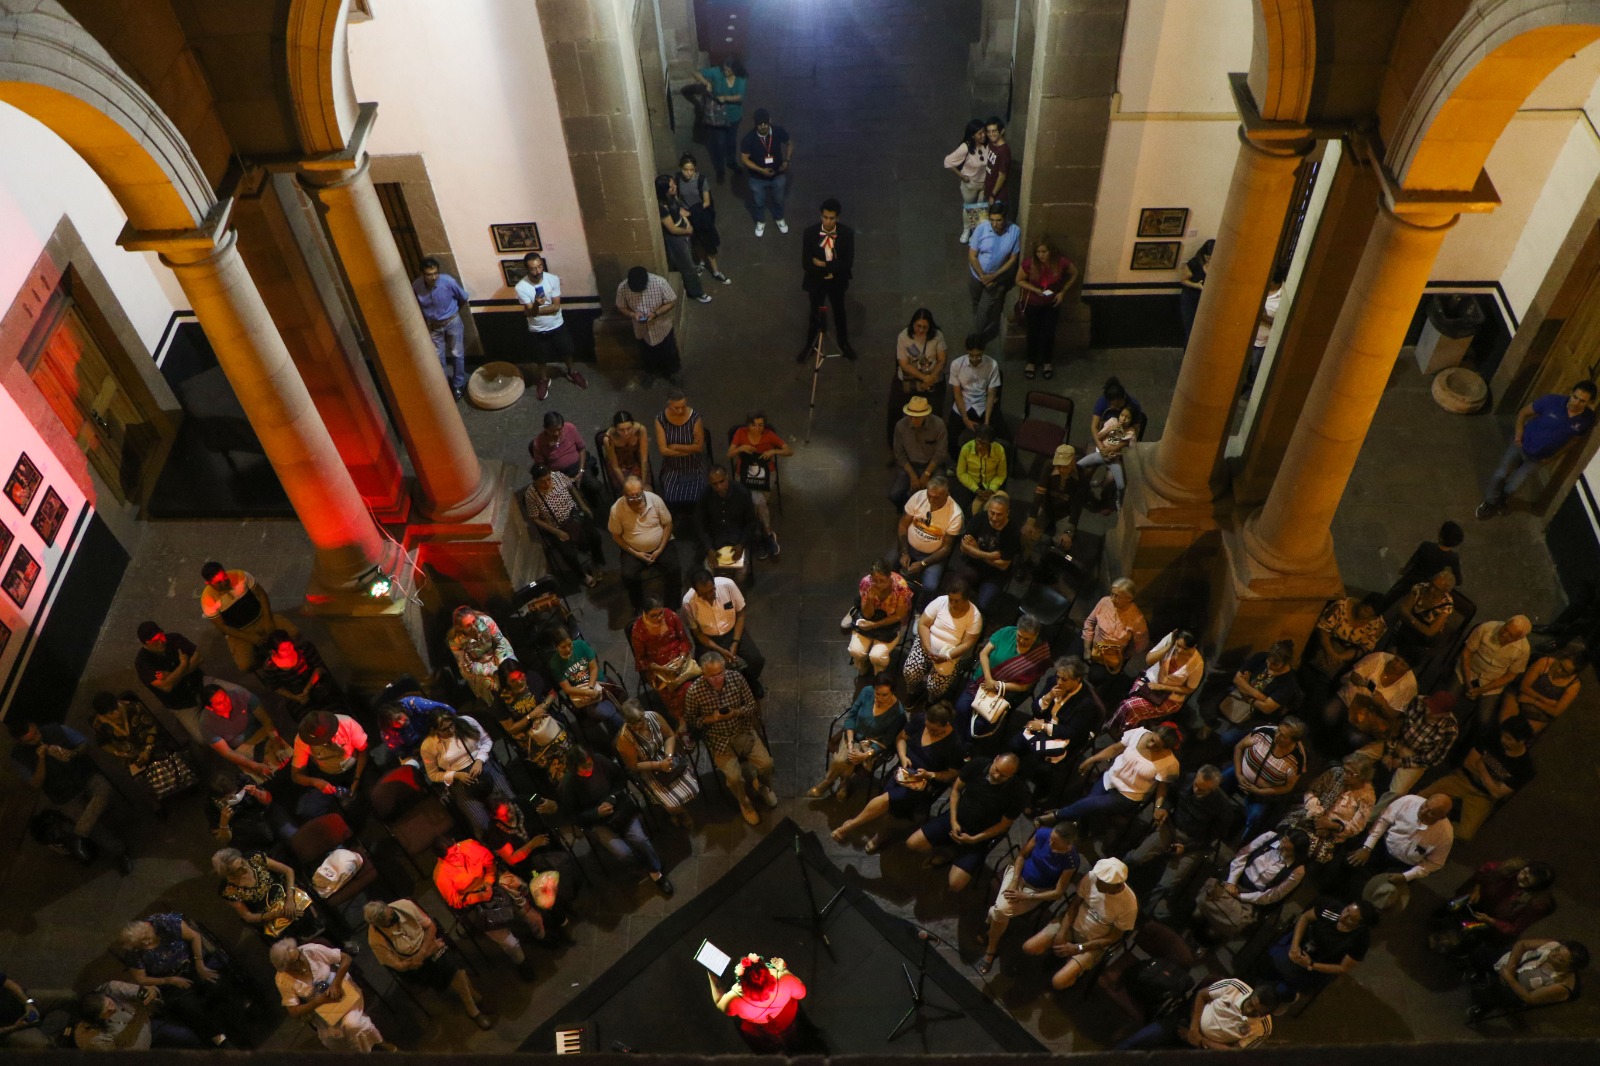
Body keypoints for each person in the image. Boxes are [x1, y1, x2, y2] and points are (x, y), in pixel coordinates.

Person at [536, 743, 673, 897]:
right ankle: (642, 864)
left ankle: (656, 872)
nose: (589, 770)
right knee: (623, 853)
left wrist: (612, 798)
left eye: (590, 764)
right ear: (574, 768)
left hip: (620, 810)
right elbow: (573, 816)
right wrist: (595, 813)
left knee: (640, 840)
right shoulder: (568, 786)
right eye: (583, 768)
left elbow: (620, 779)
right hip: (599, 823)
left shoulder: (600, 761)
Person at [831, 703, 964, 852]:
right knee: (887, 802)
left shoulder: (954, 744)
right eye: (927, 727)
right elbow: (901, 738)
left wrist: (930, 774)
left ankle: (852, 825)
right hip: (902, 770)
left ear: (946, 725)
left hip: (920, 783)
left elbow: (953, 774)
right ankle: (879, 833)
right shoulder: (920, 720)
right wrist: (903, 756)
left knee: (887, 800)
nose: (929, 731)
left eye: (934, 730)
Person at [7, 717, 130, 869]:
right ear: (21, 741)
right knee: (88, 822)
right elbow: (35, 783)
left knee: (103, 790)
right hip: (64, 794)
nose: (36, 738)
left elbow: (84, 744)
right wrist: (41, 760)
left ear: (33, 725)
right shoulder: (19, 757)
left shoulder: (56, 729)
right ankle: (119, 851)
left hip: (85, 776)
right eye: (31, 740)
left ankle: (80, 832)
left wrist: (73, 754)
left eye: (36, 733)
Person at [111, 915, 245, 1046]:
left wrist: (199, 964)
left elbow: (194, 937)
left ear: (148, 928)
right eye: (141, 944)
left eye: (146, 939)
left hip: (194, 963)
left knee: (218, 985)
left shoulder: (164, 923)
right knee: (190, 1009)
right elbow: (141, 978)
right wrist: (170, 980)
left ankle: (239, 1021)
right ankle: (219, 1038)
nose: (145, 944)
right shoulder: (134, 951)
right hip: (170, 981)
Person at [1476, 380, 1597, 518]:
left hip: (1539, 458)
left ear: (1589, 402)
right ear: (1571, 393)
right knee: (1501, 473)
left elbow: (1574, 440)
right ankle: (1490, 502)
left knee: (1515, 485)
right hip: (1521, 445)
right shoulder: (1551, 401)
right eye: (1575, 397)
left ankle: (1502, 497)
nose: (1576, 403)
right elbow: (1524, 412)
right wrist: (1518, 433)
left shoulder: (1587, 419)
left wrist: (1553, 457)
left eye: (1582, 401)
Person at [1124, 766, 1233, 920]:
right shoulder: (1187, 778)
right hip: (1171, 827)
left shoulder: (1223, 807)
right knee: (1136, 857)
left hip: (1193, 843)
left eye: (1202, 790)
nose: (1196, 790)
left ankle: (1142, 914)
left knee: (1166, 885)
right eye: (1196, 784)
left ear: (1214, 789)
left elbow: (1211, 837)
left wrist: (1186, 848)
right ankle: (1114, 874)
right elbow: (1171, 797)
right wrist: (1164, 809)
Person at [907, 752, 1027, 891]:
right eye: (996, 770)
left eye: (1003, 776)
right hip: (956, 818)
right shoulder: (978, 764)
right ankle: (950, 849)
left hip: (979, 835)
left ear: (1012, 776)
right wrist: (953, 821)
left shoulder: (1019, 793)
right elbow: (956, 790)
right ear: (995, 759)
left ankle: (953, 852)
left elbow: (1003, 824)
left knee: (955, 885)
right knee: (912, 843)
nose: (996, 776)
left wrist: (975, 839)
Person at [365, 899, 493, 1029]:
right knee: (451, 966)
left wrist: (425, 950)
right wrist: (426, 953)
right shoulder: (375, 939)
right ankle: (474, 998)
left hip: (429, 944)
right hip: (415, 967)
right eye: (389, 920)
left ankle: (472, 1008)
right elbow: (399, 966)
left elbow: (430, 926)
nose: (393, 916)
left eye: (391, 912)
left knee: (451, 966)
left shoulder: (404, 905)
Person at [431, 834, 547, 975]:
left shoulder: (470, 845)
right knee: (508, 941)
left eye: (456, 849)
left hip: (493, 885)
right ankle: (521, 962)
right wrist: (477, 896)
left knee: (533, 917)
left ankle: (542, 937)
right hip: (475, 904)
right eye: (452, 856)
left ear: (456, 842)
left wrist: (488, 882)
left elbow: (490, 863)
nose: (458, 855)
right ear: (442, 859)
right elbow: (455, 900)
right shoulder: (441, 875)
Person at [684, 651, 776, 826]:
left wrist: (736, 712)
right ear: (703, 673)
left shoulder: (737, 679)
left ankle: (763, 786)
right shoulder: (694, 692)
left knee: (766, 764)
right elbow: (691, 720)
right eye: (712, 676)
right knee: (733, 778)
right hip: (718, 738)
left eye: (720, 673)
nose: (717, 678)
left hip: (742, 730)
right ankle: (745, 803)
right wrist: (710, 718)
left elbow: (751, 706)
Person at [978, 821, 1081, 975]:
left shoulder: (1071, 860)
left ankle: (991, 937)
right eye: (1051, 838)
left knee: (998, 911)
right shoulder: (1043, 833)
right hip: (1017, 875)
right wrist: (1014, 881)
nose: (1050, 842)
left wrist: (1027, 895)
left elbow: (1058, 892)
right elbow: (1021, 856)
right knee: (1002, 911)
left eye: (1055, 842)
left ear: (1068, 845)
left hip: (1035, 891)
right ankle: (991, 947)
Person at [1022, 857, 1138, 990]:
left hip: (1092, 942)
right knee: (1029, 947)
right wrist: (1063, 931)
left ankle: (1074, 970)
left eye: (1102, 882)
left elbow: (1113, 937)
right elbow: (1074, 905)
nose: (1097, 883)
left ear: (1117, 885)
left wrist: (1079, 948)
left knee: (1058, 983)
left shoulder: (1129, 905)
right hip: (1073, 924)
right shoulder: (1092, 878)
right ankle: (1061, 955)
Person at [1045, 722, 1180, 831]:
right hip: (1109, 778)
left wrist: (1158, 808)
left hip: (1128, 795)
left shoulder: (1170, 763)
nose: (1151, 745)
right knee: (1089, 804)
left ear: (1166, 749)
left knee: (1090, 803)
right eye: (1151, 740)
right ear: (1153, 732)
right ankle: (1078, 828)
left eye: (1157, 746)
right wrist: (1091, 760)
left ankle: (1056, 815)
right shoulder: (1139, 733)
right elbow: (1115, 749)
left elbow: (1162, 787)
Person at [270, 938, 392, 1052]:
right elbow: (294, 1011)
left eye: (299, 954)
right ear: (286, 968)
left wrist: (336, 984)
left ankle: (383, 1046)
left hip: (343, 993)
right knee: (337, 1038)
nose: (302, 959)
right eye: (295, 961)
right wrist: (318, 1001)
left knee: (353, 1024)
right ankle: (372, 1049)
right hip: (324, 1013)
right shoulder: (282, 979)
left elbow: (346, 958)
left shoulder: (312, 950)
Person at [1011, 657, 1105, 803]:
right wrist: (1047, 697)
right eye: (1058, 677)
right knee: (1015, 743)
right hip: (1043, 725)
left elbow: (1072, 733)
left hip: (1061, 738)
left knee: (1040, 766)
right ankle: (1013, 775)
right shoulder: (1051, 682)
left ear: (1077, 679)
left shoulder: (1086, 704)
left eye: (1065, 679)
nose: (1059, 682)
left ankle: (1033, 798)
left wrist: (1043, 727)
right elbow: (1036, 710)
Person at [1425, 716, 1535, 840]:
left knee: (1464, 835)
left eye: (1509, 739)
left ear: (1521, 741)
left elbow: (1497, 793)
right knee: (1422, 797)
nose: (1503, 740)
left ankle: (1436, 830)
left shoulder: (1525, 768)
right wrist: (1492, 782)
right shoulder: (1492, 737)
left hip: (1483, 796)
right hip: (1463, 779)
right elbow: (1468, 763)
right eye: (1503, 735)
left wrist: (1481, 766)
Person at [1194, 828, 1309, 942]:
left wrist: (1240, 896)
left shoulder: (1298, 871)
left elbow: (1273, 895)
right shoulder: (1269, 837)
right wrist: (1231, 882)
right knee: (1199, 912)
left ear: (1296, 852)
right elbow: (1242, 855)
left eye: (1286, 848)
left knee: (1222, 926)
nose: (1281, 846)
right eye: (1283, 840)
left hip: (1253, 898)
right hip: (1236, 880)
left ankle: (1205, 945)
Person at [1430, 859, 1556, 962]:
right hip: (1479, 901)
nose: (1522, 877)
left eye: (1527, 880)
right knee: (1455, 903)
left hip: (1493, 922)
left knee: (1468, 927)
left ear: (1535, 888)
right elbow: (1483, 872)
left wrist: (1490, 921)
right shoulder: (1508, 869)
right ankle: (1441, 918)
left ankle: (1458, 949)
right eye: (1525, 872)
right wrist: (1477, 888)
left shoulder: (1536, 905)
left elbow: (1514, 928)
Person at [955, 614, 1051, 745]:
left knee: (980, 723)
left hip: (1003, 693)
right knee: (961, 708)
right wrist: (989, 679)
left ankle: (967, 744)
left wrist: (998, 685)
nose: (1022, 641)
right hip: (981, 681)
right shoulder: (1007, 632)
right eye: (1019, 636)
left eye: (1027, 639)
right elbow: (984, 653)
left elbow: (1025, 686)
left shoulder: (1040, 654)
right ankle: (958, 740)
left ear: (1036, 635)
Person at [90, 690, 193, 809]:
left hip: (150, 742)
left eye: (116, 707)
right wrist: (118, 752)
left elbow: (152, 726)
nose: (116, 712)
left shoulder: (133, 707)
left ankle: (183, 784)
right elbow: (103, 743)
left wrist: (147, 749)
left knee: (168, 758)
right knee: (139, 778)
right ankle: (157, 803)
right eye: (111, 712)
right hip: (130, 754)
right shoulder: (100, 725)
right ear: (103, 715)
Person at [808, 673, 906, 799]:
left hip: (871, 744)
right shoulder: (867, 692)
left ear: (892, 692)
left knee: (845, 759)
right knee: (844, 758)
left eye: (884, 695)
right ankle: (841, 783)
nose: (880, 698)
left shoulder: (898, 713)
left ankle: (830, 782)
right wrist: (850, 743)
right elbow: (852, 716)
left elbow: (887, 741)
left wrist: (866, 755)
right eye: (877, 693)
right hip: (852, 734)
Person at [1260, 898, 1376, 1003]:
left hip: (1316, 966)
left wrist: (1310, 964)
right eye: (1347, 910)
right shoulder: (1331, 909)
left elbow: (1343, 967)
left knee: (1279, 992)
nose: (1344, 916)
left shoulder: (1360, 940)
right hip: (1298, 946)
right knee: (1265, 966)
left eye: (1351, 918)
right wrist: (1295, 946)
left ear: (1359, 925)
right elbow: (1305, 918)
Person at [1114, 978, 1278, 1051]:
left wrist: (1201, 1040)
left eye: (1257, 1012)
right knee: (1135, 1041)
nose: (1250, 1011)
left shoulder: (1263, 1029)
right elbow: (1201, 995)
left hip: (1204, 1048)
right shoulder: (1234, 986)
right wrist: (1193, 1029)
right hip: (1187, 1021)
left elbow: (1234, 1051)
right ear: (1251, 994)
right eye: (1251, 1004)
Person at [421, 712, 511, 836]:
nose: (451, 730)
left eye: (452, 725)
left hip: (482, 766)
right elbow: (433, 774)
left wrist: (480, 760)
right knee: (481, 822)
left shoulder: (467, 722)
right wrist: (455, 775)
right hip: (460, 781)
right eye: (445, 729)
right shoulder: (428, 745)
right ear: (435, 730)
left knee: (509, 803)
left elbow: (486, 741)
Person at [199, 561, 297, 672]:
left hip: (260, 617)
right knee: (246, 665)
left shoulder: (240, 576)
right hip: (239, 631)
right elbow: (222, 627)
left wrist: (268, 620)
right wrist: (250, 637)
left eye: (225, 578)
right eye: (219, 582)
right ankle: (267, 663)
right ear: (209, 583)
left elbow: (261, 594)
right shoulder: (208, 599)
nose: (225, 583)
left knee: (294, 634)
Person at [514, 251, 585, 402]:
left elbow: (555, 307)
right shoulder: (521, 287)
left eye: (540, 266)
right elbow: (532, 313)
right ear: (527, 269)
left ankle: (571, 371)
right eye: (533, 268)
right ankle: (543, 380)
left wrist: (533, 310)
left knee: (566, 351)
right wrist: (535, 307)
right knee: (540, 359)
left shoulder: (552, 279)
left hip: (557, 324)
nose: (538, 271)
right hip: (537, 330)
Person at [1225, 718, 1309, 843]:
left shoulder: (1297, 759)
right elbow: (1239, 747)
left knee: (1255, 818)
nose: (1277, 735)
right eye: (1278, 731)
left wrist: (1259, 791)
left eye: (1283, 736)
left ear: (1294, 741)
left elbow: (1287, 787)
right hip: (1240, 774)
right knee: (1217, 783)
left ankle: (1239, 848)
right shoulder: (1264, 732)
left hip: (1261, 793)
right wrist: (1238, 774)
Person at [1346, 792, 1455, 887]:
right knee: (1351, 865)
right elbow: (1383, 820)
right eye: (1424, 806)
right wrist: (1367, 847)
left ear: (1441, 818)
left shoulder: (1445, 835)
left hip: (1402, 866)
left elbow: (1435, 863)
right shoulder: (1408, 801)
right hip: (1382, 846)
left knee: (1382, 893)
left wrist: (1406, 876)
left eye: (1431, 812)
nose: (1423, 811)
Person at [616, 698, 698, 824]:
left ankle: (678, 810)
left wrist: (669, 756)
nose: (637, 726)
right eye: (632, 724)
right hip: (648, 768)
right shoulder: (624, 739)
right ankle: (679, 812)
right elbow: (633, 765)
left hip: (665, 756)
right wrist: (659, 765)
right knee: (671, 803)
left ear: (643, 713)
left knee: (691, 789)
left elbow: (670, 736)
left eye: (639, 721)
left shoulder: (654, 716)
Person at [684, 568, 766, 694]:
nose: (709, 596)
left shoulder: (728, 585)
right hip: (709, 639)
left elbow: (740, 614)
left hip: (733, 631)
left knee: (756, 659)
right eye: (703, 594)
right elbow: (697, 633)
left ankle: (749, 681)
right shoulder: (688, 602)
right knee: (706, 671)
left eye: (711, 590)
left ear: (714, 584)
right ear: (695, 591)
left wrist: (735, 642)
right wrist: (720, 650)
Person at [1283, 753, 1375, 866]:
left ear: (1362, 777)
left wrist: (1331, 825)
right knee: (1289, 835)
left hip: (1331, 834)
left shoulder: (1367, 797)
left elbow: (1356, 827)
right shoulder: (1335, 773)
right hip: (1309, 816)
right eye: (1345, 769)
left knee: (1305, 851)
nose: (1345, 775)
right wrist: (1314, 806)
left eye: (1351, 773)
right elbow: (1311, 790)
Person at [709, 954, 811, 1054]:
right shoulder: (785, 979)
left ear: (742, 982)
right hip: (787, 1016)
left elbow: (719, 1001)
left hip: (760, 1028)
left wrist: (713, 978)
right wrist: (784, 969)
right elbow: (801, 994)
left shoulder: (735, 1000)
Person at [902, 580, 984, 705]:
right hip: (927, 643)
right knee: (911, 672)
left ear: (966, 599)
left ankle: (931, 699)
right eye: (951, 599)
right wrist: (928, 648)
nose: (952, 604)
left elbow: (967, 644)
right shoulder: (940, 602)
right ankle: (914, 692)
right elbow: (923, 624)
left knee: (935, 686)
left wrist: (947, 656)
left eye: (957, 601)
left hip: (950, 653)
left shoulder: (975, 616)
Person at [1110, 629, 1203, 736]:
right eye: (1178, 645)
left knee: (1129, 706)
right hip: (1150, 681)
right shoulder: (1170, 640)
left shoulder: (1197, 663)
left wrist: (1162, 687)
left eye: (1185, 649)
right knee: (1129, 706)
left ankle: (1123, 734)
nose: (1180, 651)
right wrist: (1168, 647)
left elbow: (1189, 689)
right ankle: (1121, 732)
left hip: (1170, 697)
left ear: (1194, 646)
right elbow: (1149, 660)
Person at [526, 463, 605, 588]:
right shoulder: (531, 494)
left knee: (595, 536)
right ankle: (582, 575)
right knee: (568, 554)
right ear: (535, 481)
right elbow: (535, 519)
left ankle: (596, 562)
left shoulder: (557, 476)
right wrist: (556, 532)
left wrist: (582, 506)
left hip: (574, 515)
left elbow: (571, 488)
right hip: (557, 526)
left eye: (548, 479)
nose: (547, 483)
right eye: (542, 482)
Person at [609, 475, 681, 611]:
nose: (635, 500)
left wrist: (660, 549)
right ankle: (639, 606)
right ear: (624, 495)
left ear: (643, 491)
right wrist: (636, 553)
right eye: (631, 497)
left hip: (661, 545)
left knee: (674, 569)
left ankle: (672, 605)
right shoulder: (616, 509)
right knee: (628, 576)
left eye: (638, 495)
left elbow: (668, 524)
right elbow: (616, 536)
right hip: (633, 549)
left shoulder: (655, 500)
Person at [1468, 939, 1589, 1020]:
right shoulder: (1553, 945)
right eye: (1557, 950)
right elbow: (1522, 944)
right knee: (1480, 954)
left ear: (1569, 967)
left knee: (1492, 993)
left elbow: (1529, 998)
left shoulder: (1563, 984)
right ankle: (1479, 973)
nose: (1554, 954)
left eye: (1560, 959)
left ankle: (1483, 1008)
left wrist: (1509, 978)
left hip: (1516, 991)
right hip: (1510, 966)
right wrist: (1510, 967)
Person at [199, 681, 291, 785]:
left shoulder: (241, 695)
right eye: (220, 703)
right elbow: (227, 752)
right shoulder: (206, 725)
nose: (226, 703)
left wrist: (276, 741)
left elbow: (266, 720)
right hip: (240, 750)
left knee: (289, 760)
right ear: (209, 708)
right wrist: (254, 765)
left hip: (261, 733)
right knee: (268, 781)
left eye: (225, 697)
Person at [1214, 640, 1301, 748]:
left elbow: (1267, 708)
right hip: (1240, 698)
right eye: (1269, 660)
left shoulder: (1288, 683)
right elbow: (1237, 679)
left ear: (1285, 663)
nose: (1269, 665)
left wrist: (1246, 688)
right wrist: (1260, 696)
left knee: (1226, 739)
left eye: (1275, 664)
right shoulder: (1260, 658)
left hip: (1257, 717)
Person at [799, 197, 857, 360]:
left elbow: (847, 263)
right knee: (815, 312)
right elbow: (806, 263)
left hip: (837, 281)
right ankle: (811, 344)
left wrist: (824, 265)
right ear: (821, 216)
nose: (828, 221)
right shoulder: (810, 233)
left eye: (831, 218)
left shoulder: (846, 234)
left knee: (839, 311)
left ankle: (844, 343)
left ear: (837, 218)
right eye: (825, 217)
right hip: (816, 281)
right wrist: (829, 268)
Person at [1455, 616, 1533, 738]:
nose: (1504, 634)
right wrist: (1467, 680)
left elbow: (1510, 676)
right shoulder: (1486, 628)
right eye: (1505, 629)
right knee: (1446, 697)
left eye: (1511, 635)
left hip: (1491, 683)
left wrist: (1481, 690)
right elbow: (1467, 653)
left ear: (1519, 638)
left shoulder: (1523, 650)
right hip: (1468, 670)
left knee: (1483, 721)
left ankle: (1465, 742)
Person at [1326, 651, 1416, 755]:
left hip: (1369, 718)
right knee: (1329, 715)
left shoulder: (1409, 686)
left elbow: (1394, 714)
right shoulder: (1379, 658)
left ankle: (1333, 757)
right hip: (1348, 699)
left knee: (1355, 739)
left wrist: (1383, 703)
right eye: (1396, 659)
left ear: (1408, 669)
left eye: (1402, 665)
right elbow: (1354, 675)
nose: (1396, 665)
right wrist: (1362, 682)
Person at [74, 979, 207, 1049]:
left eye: (110, 1003)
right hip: (139, 1050)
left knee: (188, 1038)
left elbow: (140, 992)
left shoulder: (111, 989)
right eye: (107, 1012)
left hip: (148, 1027)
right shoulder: (92, 1038)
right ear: (97, 1019)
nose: (112, 1009)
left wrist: (150, 992)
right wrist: (140, 1014)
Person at [727, 411, 790, 559]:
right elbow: (729, 454)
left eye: (760, 425)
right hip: (744, 473)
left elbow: (789, 450)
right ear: (748, 425)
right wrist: (741, 448)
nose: (757, 428)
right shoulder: (741, 433)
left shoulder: (768, 435)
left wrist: (773, 451)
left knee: (754, 501)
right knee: (758, 501)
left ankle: (754, 533)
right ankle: (767, 533)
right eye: (753, 425)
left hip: (766, 473)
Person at [213, 847, 315, 938]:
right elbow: (247, 916)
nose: (245, 867)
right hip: (269, 916)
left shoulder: (255, 858)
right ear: (230, 874)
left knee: (305, 916)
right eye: (238, 869)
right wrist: (276, 914)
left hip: (288, 897)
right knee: (291, 932)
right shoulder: (227, 890)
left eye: (242, 862)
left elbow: (288, 871)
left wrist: (289, 899)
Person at [629, 596, 698, 727]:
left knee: (689, 686)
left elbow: (683, 639)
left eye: (660, 613)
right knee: (675, 690)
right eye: (654, 615)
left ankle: (693, 714)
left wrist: (682, 659)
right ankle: (682, 721)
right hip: (658, 669)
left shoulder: (671, 616)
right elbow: (641, 659)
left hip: (680, 660)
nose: (660, 617)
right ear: (645, 613)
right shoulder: (638, 630)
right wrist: (662, 669)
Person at [133, 620, 206, 742]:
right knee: (202, 738)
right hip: (182, 703)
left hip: (200, 683)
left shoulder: (174, 638)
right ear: (144, 644)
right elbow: (167, 687)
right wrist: (183, 664)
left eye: (161, 636)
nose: (162, 642)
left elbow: (199, 657)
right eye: (155, 641)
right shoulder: (143, 664)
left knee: (237, 695)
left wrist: (173, 675)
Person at [1015, 237, 1077, 379]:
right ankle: (1031, 361)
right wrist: (1035, 289)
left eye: (1044, 251)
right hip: (1033, 303)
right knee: (1033, 333)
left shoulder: (1060, 263)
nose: (1041, 255)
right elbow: (1019, 280)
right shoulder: (1029, 264)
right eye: (1038, 252)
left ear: (1051, 251)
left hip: (1051, 303)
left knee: (1049, 333)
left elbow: (1074, 273)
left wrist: (1062, 292)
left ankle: (1047, 361)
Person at [289, 710, 368, 818]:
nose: (327, 741)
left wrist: (357, 779)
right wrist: (315, 782)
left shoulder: (346, 722)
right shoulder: (302, 741)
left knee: (374, 793)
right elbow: (295, 775)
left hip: (357, 766)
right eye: (320, 740)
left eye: (328, 735)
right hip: (329, 776)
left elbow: (363, 750)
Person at [888, 308, 948, 449]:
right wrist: (923, 377)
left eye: (925, 327)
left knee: (935, 413)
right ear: (913, 324)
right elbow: (903, 363)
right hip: (909, 380)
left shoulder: (937, 336)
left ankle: (932, 444)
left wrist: (931, 377)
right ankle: (894, 446)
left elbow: (942, 360)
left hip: (932, 379)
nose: (921, 330)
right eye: (918, 326)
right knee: (895, 411)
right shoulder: (904, 336)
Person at [412, 256, 471, 399]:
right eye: (429, 274)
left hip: (452, 321)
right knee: (438, 357)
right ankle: (444, 387)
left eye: (435, 273)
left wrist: (452, 312)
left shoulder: (448, 282)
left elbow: (463, 297)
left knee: (457, 353)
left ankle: (458, 384)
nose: (433, 277)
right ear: (423, 274)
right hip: (434, 325)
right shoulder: (416, 286)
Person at [548, 626, 622, 739]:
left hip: (598, 684)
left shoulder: (581, 645)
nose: (568, 649)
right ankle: (623, 733)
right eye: (563, 647)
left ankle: (619, 736)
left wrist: (591, 688)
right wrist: (588, 693)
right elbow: (567, 689)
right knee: (607, 713)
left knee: (610, 711)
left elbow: (594, 668)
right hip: (582, 696)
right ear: (555, 647)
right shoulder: (555, 664)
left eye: (569, 644)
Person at [1382, 691, 1461, 796]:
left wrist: (1402, 762)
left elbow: (1432, 758)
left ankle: (1375, 812)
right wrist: (1389, 752)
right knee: (1363, 754)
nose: (1428, 710)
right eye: (1430, 706)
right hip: (1398, 741)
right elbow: (1397, 726)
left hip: (1416, 758)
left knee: (1397, 792)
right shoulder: (1418, 701)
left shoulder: (1450, 730)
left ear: (1445, 714)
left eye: (1434, 711)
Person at [845, 560, 915, 677]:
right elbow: (867, 615)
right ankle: (863, 664)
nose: (878, 584)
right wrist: (870, 599)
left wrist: (874, 625)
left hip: (891, 625)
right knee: (855, 651)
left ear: (890, 577)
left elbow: (898, 616)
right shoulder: (866, 583)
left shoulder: (900, 587)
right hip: (871, 619)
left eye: (882, 581)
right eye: (875, 580)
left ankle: (879, 674)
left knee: (876, 656)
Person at [897, 473, 965, 593]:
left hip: (933, 556)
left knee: (930, 587)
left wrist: (923, 564)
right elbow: (903, 525)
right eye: (929, 495)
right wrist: (904, 552)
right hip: (909, 546)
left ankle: (920, 609)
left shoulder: (956, 514)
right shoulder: (919, 497)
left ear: (947, 495)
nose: (932, 500)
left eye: (937, 497)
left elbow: (946, 548)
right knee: (887, 566)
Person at [1080, 577, 1150, 692]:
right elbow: (1090, 622)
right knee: (1069, 658)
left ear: (1129, 598)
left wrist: (1124, 655)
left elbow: (1141, 644)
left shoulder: (1137, 619)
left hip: (1109, 653)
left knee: (1096, 677)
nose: (1112, 599)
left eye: (1117, 596)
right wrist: (1087, 648)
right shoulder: (1104, 602)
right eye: (1112, 594)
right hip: (1093, 641)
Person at [615, 267, 682, 386]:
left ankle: (673, 372)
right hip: (641, 329)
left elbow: (671, 302)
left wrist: (656, 313)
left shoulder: (660, 283)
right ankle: (651, 372)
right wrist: (632, 314)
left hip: (661, 326)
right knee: (646, 353)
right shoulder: (622, 287)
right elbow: (621, 306)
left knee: (669, 351)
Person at [955, 491, 1020, 611]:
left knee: (984, 605)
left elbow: (1003, 565)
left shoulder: (1013, 531)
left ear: (1007, 513)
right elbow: (963, 547)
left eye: (999, 514)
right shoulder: (980, 518)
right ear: (988, 509)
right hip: (973, 565)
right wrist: (990, 555)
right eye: (992, 513)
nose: (995, 518)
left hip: (995, 574)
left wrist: (975, 551)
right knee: (957, 588)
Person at [1499, 643, 1582, 736]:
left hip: (1540, 712)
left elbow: (1556, 712)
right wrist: (1548, 702)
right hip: (1519, 696)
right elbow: (1524, 687)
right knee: (1505, 725)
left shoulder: (1574, 684)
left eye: (1565, 671)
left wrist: (1533, 701)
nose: (1559, 670)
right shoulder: (1545, 663)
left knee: (1521, 734)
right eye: (1560, 665)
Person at [1380, 520, 1465, 610]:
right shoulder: (1453, 557)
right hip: (1426, 591)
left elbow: (1411, 564)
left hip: (1408, 581)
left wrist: (1403, 571)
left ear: (1441, 535)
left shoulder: (1426, 546)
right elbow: (1458, 581)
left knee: (1387, 602)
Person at [967, 203, 1021, 343]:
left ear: (1005, 219)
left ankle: (978, 336)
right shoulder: (981, 229)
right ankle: (976, 319)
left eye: (998, 220)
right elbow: (972, 255)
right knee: (976, 300)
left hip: (996, 279)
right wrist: (983, 276)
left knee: (985, 308)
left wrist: (993, 276)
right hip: (977, 275)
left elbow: (1012, 259)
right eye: (992, 220)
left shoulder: (1014, 231)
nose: (994, 224)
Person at [1304, 592, 1387, 681]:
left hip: (1345, 657)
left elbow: (1364, 648)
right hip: (1325, 645)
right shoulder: (1341, 606)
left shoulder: (1378, 625)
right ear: (1361, 603)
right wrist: (1330, 652)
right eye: (1365, 610)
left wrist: (1338, 658)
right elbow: (1322, 628)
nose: (1365, 615)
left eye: (1370, 615)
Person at [656, 389, 710, 523]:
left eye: (683, 407)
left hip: (694, 465)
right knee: (670, 495)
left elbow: (698, 447)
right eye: (676, 407)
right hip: (673, 467)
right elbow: (663, 450)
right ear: (669, 404)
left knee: (701, 495)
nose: (680, 411)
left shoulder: (695, 418)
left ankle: (701, 520)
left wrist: (675, 446)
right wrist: (688, 450)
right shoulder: (660, 419)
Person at [656, 174, 712, 303]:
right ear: (664, 191)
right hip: (676, 239)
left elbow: (679, 210)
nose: (675, 187)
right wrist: (688, 230)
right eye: (671, 187)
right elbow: (672, 229)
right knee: (688, 266)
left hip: (684, 231)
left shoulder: (671, 197)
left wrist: (687, 222)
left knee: (688, 258)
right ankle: (697, 292)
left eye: (673, 184)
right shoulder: (662, 208)